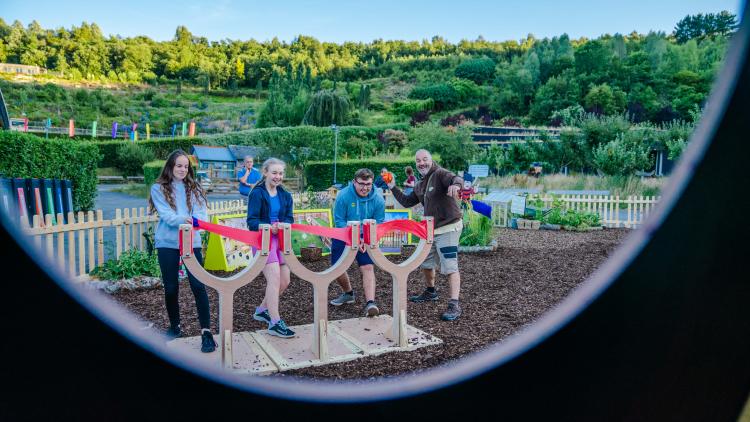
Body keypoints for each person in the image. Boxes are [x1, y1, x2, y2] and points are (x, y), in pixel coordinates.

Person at [148, 149, 216, 353]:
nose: (182, 169)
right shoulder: (158, 188)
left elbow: (202, 214)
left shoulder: (194, 188)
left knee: (198, 286)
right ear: (170, 166)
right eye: (179, 165)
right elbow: (168, 216)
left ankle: (206, 333)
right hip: (167, 242)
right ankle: (175, 326)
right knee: (171, 288)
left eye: (186, 166)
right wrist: (187, 220)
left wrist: (196, 221)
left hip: (191, 241)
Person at [386, 149, 464, 321]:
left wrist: (456, 185)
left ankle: (454, 304)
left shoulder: (440, 173)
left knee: (450, 266)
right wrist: (392, 186)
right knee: (426, 263)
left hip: (448, 227)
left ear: (431, 159)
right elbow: (406, 202)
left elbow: (455, 178)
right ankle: (431, 292)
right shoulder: (420, 184)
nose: (422, 163)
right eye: (418, 161)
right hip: (429, 230)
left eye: (425, 159)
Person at [246, 158, 296, 338]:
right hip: (263, 240)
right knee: (274, 280)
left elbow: (290, 218)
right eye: (274, 172)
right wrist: (268, 226)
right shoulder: (257, 194)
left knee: (285, 281)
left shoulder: (285, 195)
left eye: (281, 173)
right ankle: (274, 322)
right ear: (265, 172)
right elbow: (251, 222)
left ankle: (261, 310)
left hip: (281, 240)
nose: (278, 176)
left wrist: (283, 224)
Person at [328, 168, 386, 317]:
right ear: (354, 182)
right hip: (343, 234)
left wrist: (365, 238)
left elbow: (378, 223)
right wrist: (353, 238)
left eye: (368, 184)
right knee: (337, 268)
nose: (365, 188)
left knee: (367, 267)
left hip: (365, 236)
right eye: (361, 184)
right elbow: (339, 220)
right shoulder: (343, 195)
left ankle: (370, 303)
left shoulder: (378, 199)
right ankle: (348, 293)